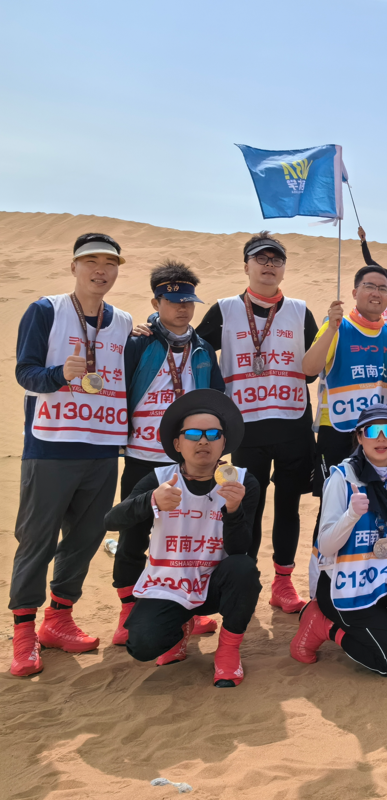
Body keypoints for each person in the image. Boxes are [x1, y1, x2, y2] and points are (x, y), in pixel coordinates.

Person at [10, 233, 133, 677]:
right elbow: (25, 372)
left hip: (102, 447)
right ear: (74, 266)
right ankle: (24, 632)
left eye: (110, 263)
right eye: (91, 261)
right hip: (51, 445)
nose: (101, 270)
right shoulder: (47, 310)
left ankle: (58, 619)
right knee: (37, 540)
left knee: (85, 538)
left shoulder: (123, 322)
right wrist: (59, 374)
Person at [196, 232, 319, 616]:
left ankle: (283, 583)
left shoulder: (299, 311)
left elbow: (313, 370)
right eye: (260, 259)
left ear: (283, 268)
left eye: (276, 260)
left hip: (292, 424)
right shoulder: (226, 309)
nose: (269, 266)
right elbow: (193, 350)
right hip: (245, 427)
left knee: (288, 507)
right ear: (246, 265)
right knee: (247, 505)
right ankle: (243, 581)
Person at [104, 390, 261, 686]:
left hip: (216, 583)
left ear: (224, 443)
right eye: (192, 434)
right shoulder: (161, 479)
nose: (203, 441)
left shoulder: (241, 482)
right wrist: (151, 500)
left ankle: (228, 650)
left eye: (213, 434)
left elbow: (242, 549)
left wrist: (233, 509)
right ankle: (180, 628)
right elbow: (111, 520)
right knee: (142, 646)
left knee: (244, 569)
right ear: (177, 443)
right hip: (169, 585)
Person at [112, 261, 224, 648]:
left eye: (188, 301)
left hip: (188, 462)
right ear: (156, 302)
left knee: (189, 537)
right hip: (142, 456)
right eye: (173, 301)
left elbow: (217, 399)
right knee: (133, 534)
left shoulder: (203, 348)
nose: (182, 308)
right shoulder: (138, 343)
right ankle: (128, 610)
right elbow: (118, 388)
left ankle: (187, 607)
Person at [289, 404, 387, 675]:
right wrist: (350, 516)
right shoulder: (342, 478)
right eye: (372, 431)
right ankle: (325, 626)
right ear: (359, 437)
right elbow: (326, 545)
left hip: (381, 579)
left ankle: (384, 627)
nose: (381, 438)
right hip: (343, 587)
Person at [303, 264, 387, 474]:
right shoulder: (336, 326)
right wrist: (331, 328)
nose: (376, 293)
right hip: (338, 427)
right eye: (369, 286)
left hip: (381, 433)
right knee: (334, 492)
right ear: (354, 292)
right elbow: (309, 369)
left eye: (383, 288)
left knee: (380, 491)